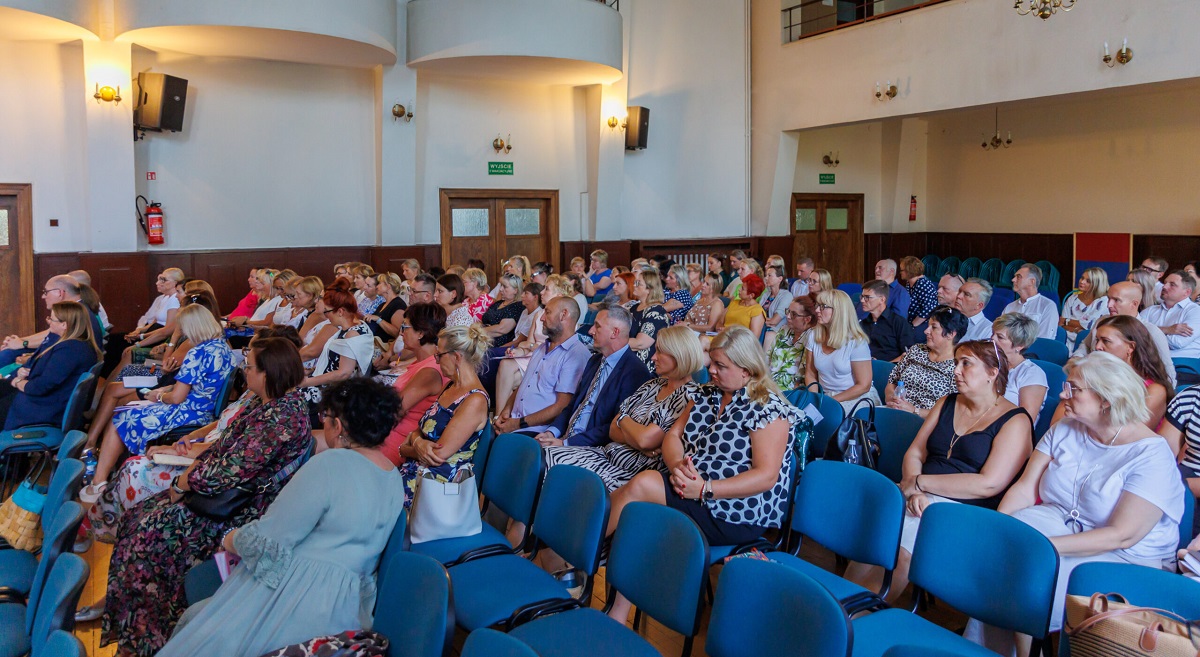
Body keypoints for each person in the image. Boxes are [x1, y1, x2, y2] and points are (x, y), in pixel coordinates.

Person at [157, 378, 405, 657]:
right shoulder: (393, 477)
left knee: (198, 629)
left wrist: (230, 538)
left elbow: (270, 540)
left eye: (327, 418)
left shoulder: (331, 463)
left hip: (301, 594)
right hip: (348, 605)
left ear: (339, 426)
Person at [101, 337, 312, 656]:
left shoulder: (283, 414)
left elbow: (231, 472)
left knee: (149, 534)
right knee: (136, 518)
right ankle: (134, 628)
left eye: (250, 366)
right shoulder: (263, 401)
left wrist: (184, 482)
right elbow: (228, 445)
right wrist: (188, 452)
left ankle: (151, 637)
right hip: (223, 493)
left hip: (242, 509)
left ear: (268, 373)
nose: (244, 371)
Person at [603, 325, 804, 623]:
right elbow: (673, 436)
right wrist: (676, 468)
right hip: (690, 488)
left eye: (720, 366)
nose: (710, 370)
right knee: (639, 516)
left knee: (642, 489)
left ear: (747, 371)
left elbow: (766, 476)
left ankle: (584, 548)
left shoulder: (767, 409)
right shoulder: (706, 394)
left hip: (735, 510)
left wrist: (706, 488)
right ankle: (615, 611)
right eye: (712, 362)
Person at [995, 351, 1185, 643]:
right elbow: (1024, 487)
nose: (1062, 394)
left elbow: (1121, 536)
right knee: (1000, 553)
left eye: (1073, 388)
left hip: (1123, 554)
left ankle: (1028, 650)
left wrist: (1043, 547)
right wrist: (998, 528)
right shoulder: (1065, 428)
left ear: (1106, 399)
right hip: (1062, 523)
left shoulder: (1151, 454)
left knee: (1029, 572)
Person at [846, 339, 1032, 602]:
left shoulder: (1015, 420)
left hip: (964, 507)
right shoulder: (947, 402)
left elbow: (988, 484)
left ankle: (858, 617)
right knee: (874, 539)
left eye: (966, 364)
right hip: (919, 490)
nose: (956, 370)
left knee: (902, 551)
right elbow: (916, 452)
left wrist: (922, 484)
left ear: (992, 373)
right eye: (956, 362)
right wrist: (912, 485)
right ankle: (835, 608)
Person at [82, 305, 236, 501]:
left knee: (120, 416)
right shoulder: (224, 348)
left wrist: (158, 396)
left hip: (188, 412)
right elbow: (202, 386)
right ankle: (112, 477)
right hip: (205, 411)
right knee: (127, 409)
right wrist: (167, 390)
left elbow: (177, 398)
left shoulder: (197, 353)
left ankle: (98, 483)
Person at [542, 326, 704, 491]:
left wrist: (625, 422)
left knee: (561, 474)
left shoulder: (690, 395)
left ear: (679, 356)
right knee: (545, 457)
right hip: (605, 455)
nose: (653, 357)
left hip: (630, 472)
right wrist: (632, 431)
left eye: (660, 352)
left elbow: (646, 439)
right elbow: (614, 429)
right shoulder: (652, 384)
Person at [398, 324, 491, 507]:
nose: (437, 361)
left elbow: (437, 455)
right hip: (417, 473)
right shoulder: (451, 387)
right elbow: (419, 430)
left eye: (439, 355)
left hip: (436, 486)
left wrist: (407, 447)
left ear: (456, 357)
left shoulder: (475, 400)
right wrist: (418, 443)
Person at [535, 305, 652, 448]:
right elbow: (574, 404)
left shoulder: (635, 372)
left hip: (591, 448)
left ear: (614, 332)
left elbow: (614, 425)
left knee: (534, 461)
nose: (590, 331)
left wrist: (566, 443)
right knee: (525, 450)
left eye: (597, 326)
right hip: (565, 438)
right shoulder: (595, 360)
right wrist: (552, 432)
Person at [493, 297, 591, 436]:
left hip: (535, 431)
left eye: (548, 312)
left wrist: (517, 423)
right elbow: (525, 384)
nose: (542, 318)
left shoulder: (576, 354)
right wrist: (506, 410)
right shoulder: (542, 348)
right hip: (515, 423)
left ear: (564, 315)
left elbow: (562, 406)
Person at [1056, 315, 1173, 430]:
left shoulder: (1155, 390)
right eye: (1097, 340)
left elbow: (1131, 434)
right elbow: (1058, 424)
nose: (1097, 347)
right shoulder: (1090, 378)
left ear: (1130, 347)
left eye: (1106, 341)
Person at [0, 302, 101, 430]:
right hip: (44, 402)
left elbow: (40, 387)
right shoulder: (75, 345)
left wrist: (17, 381)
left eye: (52, 319)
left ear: (64, 324)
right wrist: (23, 373)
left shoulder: (69, 349)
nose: (49, 322)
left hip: (40, 409)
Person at [379, 303, 449, 466]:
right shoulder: (422, 362)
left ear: (420, 333)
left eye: (405, 327)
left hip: (398, 442)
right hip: (389, 433)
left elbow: (394, 410)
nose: (401, 333)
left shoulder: (430, 370)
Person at [1075, 281, 1176, 386]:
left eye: (1116, 300)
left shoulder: (1151, 332)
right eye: (1108, 299)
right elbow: (1086, 345)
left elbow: (1167, 374)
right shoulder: (1102, 321)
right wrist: (1076, 358)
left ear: (1134, 304)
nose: (1109, 305)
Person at [300, 281, 373, 413]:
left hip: (337, 389)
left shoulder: (353, 334)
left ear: (340, 311)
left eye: (327, 312)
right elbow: (336, 361)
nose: (326, 317)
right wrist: (311, 370)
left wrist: (307, 382)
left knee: (289, 398)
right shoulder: (350, 327)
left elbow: (343, 373)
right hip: (328, 382)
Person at [885, 305, 967, 418]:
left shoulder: (959, 366)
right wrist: (893, 401)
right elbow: (892, 381)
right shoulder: (916, 350)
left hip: (927, 422)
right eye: (928, 326)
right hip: (895, 412)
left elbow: (952, 412)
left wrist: (914, 410)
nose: (926, 331)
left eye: (933, 327)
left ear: (951, 334)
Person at [806, 289, 878, 410]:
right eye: (817, 305)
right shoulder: (813, 335)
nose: (817, 310)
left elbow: (863, 386)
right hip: (826, 396)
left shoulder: (856, 341)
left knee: (829, 420)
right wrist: (815, 399)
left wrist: (830, 402)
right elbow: (810, 373)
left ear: (839, 311)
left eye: (823, 306)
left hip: (854, 397)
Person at [992, 313, 1049, 425]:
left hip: (1008, 431)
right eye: (993, 334)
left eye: (1000, 337)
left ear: (1019, 345)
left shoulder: (1032, 374)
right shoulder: (989, 364)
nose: (992, 339)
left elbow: (1025, 420)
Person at [1140, 270, 1200, 367]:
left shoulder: (1195, 311)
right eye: (1165, 283)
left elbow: (1177, 343)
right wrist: (1167, 329)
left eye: (1172, 284)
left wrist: (1145, 336)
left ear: (1187, 292)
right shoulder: (1151, 310)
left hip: (1184, 365)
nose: (1164, 286)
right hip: (1150, 363)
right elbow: (1133, 332)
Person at [859, 278, 915, 362]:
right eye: (862, 296)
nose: (862, 300)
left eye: (867, 297)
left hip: (891, 370)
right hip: (865, 368)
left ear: (882, 299)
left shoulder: (899, 322)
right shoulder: (862, 324)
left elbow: (908, 354)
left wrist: (882, 366)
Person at [768, 295, 816, 391]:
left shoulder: (812, 336)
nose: (788, 316)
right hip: (769, 384)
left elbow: (802, 377)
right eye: (788, 311)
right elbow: (768, 357)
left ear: (807, 319)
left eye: (793, 314)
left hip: (790, 392)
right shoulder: (784, 330)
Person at [628, 270, 671, 374]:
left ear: (649, 289)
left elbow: (641, 343)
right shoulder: (634, 308)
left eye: (638, 283)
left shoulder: (656, 311)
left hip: (645, 367)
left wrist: (612, 342)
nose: (634, 285)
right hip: (629, 359)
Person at [1004, 264, 1059, 340]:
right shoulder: (1010, 307)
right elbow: (1001, 333)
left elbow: (1044, 339)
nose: (1013, 280)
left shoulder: (1048, 306)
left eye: (1019, 277)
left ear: (1032, 281)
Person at [1060, 267, 1109, 351]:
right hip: (1066, 340)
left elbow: (1090, 326)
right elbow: (1061, 323)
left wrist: (1067, 321)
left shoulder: (1103, 301)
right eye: (1082, 278)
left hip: (1090, 343)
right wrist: (1078, 329)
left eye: (1088, 281)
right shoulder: (1072, 298)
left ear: (1097, 284)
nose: (1082, 282)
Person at [479, 273, 525, 347]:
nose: (500, 289)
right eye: (501, 286)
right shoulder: (498, 303)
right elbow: (483, 320)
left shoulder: (518, 306)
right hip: (483, 341)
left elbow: (501, 329)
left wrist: (478, 331)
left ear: (515, 290)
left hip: (498, 346)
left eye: (505, 287)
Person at [363, 272, 408, 339]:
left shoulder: (398, 305)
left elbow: (397, 333)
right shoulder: (382, 305)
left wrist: (379, 320)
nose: (377, 286)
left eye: (380, 283)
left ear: (388, 286)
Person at [721, 273, 766, 338]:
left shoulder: (757, 311)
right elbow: (720, 322)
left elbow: (753, 337)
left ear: (751, 295)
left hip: (739, 343)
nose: (739, 289)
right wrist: (720, 328)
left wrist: (728, 331)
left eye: (742, 289)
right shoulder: (734, 302)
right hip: (723, 337)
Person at [760, 265, 794, 350]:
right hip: (763, 326)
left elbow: (774, 321)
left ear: (780, 279)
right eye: (766, 275)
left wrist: (757, 321)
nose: (766, 278)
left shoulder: (787, 296)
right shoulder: (766, 294)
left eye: (769, 275)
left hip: (776, 330)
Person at [900, 256, 938, 326]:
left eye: (902, 270)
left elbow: (928, 309)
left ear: (909, 270)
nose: (900, 273)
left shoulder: (923, 284)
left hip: (923, 324)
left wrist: (912, 326)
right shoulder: (909, 283)